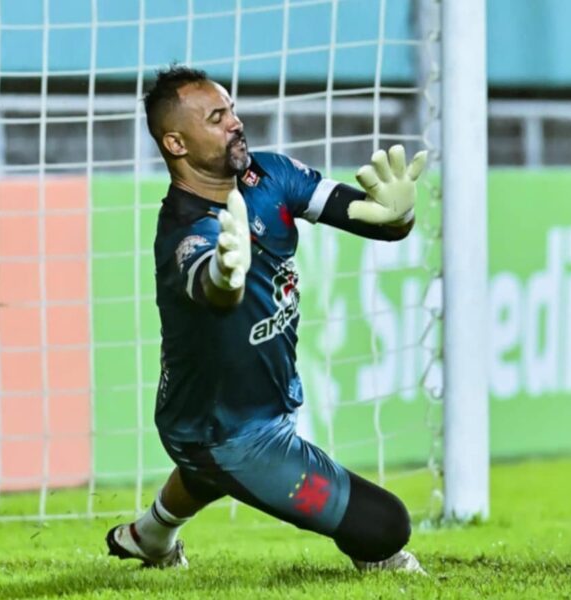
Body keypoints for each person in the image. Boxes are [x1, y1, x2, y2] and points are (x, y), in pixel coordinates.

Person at [106, 65, 428, 573]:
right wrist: (225, 274)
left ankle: (151, 536)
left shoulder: (271, 175)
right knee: (386, 525)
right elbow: (214, 289)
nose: (235, 122)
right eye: (216, 118)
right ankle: (373, 553)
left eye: (232, 109)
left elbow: (373, 219)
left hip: (254, 409)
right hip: (221, 433)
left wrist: (398, 215)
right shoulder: (183, 231)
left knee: (210, 474)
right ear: (176, 143)